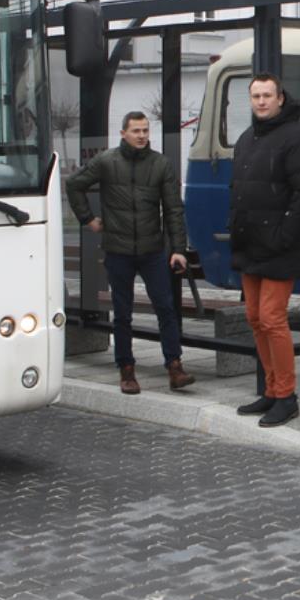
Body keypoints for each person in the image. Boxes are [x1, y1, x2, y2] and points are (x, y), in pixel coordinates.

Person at [66, 111, 192, 397]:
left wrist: (178, 250)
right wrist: (88, 219)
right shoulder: (107, 161)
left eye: (145, 130)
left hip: (152, 251)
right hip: (118, 251)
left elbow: (174, 209)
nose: (142, 136)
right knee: (122, 314)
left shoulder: (160, 164)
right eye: (136, 131)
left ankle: (175, 367)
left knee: (166, 309)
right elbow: (74, 184)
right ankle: (126, 370)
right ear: (123, 133)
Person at [227, 73, 300, 427]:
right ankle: (271, 389)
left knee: (271, 318)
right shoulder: (246, 138)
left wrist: (284, 235)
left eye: (268, 95)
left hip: (280, 245)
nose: (262, 101)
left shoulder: (298, 137)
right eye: (256, 96)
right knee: (254, 317)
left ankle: (286, 396)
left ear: (281, 98)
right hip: (250, 243)